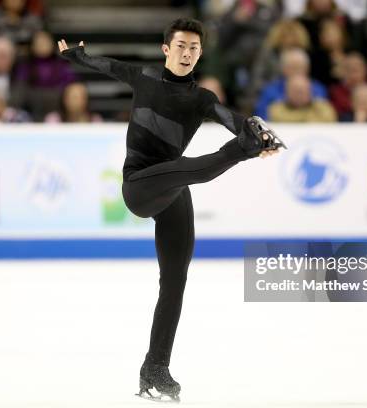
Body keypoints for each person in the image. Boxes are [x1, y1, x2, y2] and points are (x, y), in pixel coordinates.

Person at [58, 17, 284, 403]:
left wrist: (251, 130)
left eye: (194, 49)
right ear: (166, 49)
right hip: (139, 186)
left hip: (173, 186)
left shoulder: (201, 99)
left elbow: (230, 118)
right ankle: (242, 152)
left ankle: (155, 368)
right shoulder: (145, 77)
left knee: (175, 279)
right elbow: (109, 66)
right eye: (180, 46)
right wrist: (78, 57)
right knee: (191, 168)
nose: (187, 54)